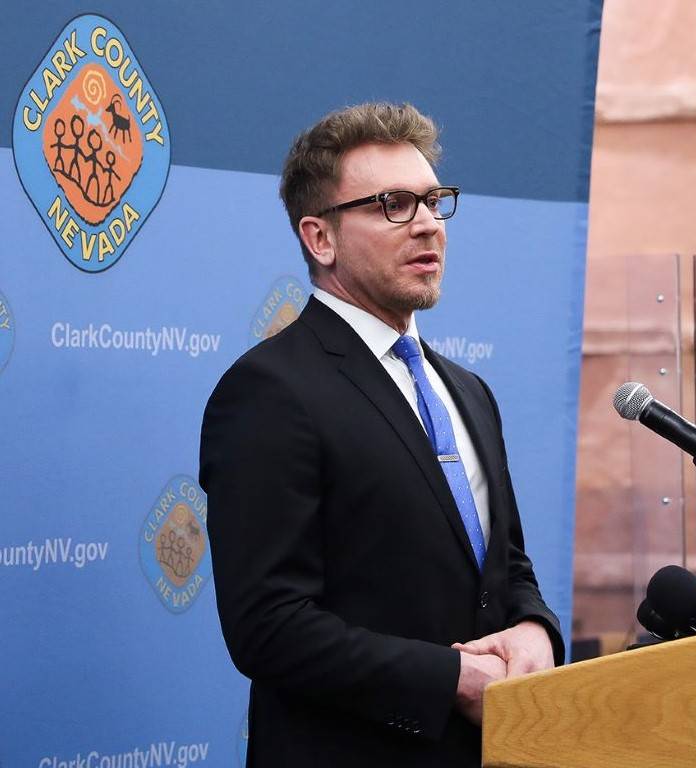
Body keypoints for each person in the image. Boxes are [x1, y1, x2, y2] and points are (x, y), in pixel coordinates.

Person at [200, 102, 563, 767]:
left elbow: (503, 567)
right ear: (320, 238)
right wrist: (450, 679)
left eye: (433, 201)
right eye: (393, 205)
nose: (426, 225)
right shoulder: (270, 392)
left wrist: (536, 631)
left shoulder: (468, 392)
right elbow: (268, 628)